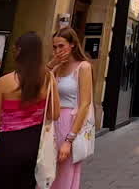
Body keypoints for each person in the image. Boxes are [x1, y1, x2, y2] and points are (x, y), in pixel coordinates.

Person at [0, 32, 58, 189]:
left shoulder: (4, 82)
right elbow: (54, 114)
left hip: (8, 142)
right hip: (35, 141)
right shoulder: (48, 78)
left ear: (18, 51)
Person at [50, 28, 93, 189]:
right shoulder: (56, 68)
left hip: (70, 122)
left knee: (64, 171)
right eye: (54, 47)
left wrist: (69, 139)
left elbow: (85, 104)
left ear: (73, 45)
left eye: (61, 46)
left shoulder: (83, 67)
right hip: (52, 121)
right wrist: (51, 64)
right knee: (46, 171)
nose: (58, 51)